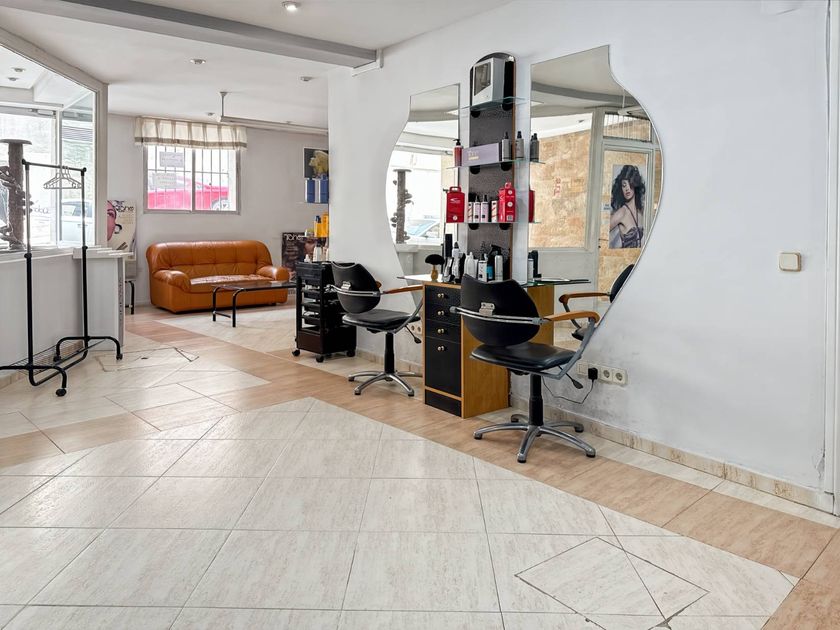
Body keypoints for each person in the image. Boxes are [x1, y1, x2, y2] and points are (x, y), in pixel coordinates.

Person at [608, 165, 645, 249]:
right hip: (624, 256)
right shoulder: (622, 212)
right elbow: (600, 233)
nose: (627, 188)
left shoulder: (640, 212)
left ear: (635, 184)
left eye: (630, 183)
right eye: (624, 185)